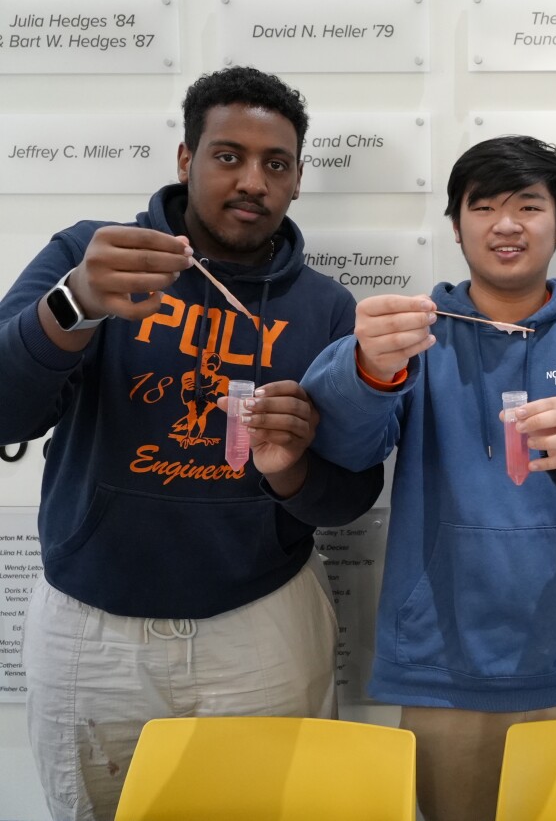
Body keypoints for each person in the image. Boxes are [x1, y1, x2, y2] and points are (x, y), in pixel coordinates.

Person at [0, 66, 382, 821]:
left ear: (299, 179)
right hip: (90, 627)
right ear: (185, 159)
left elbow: (350, 491)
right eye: (228, 155)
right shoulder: (91, 255)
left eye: (276, 163)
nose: (252, 180)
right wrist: (70, 307)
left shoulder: (328, 307)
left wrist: (290, 469)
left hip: (260, 625)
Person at [301, 135, 556, 821]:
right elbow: (345, 447)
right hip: (445, 665)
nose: (506, 223)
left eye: (529, 205)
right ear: (456, 223)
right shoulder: (412, 334)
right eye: (484, 205)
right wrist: (366, 368)